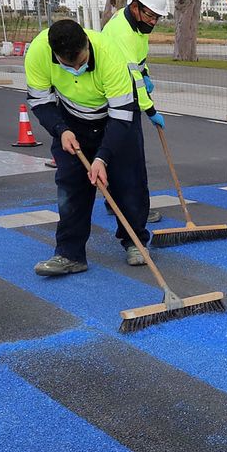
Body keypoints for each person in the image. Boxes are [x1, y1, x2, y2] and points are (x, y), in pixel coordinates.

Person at [24, 18, 151, 276]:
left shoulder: (109, 55)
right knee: (71, 186)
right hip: (71, 119)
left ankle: (135, 242)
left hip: (115, 118)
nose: (77, 69)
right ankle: (69, 254)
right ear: (55, 55)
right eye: (68, 65)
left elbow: (121, 115)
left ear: (87, 45)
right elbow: (40, 102)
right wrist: (61, 130)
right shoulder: (38, 53)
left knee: (128, 182)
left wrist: (102, 158)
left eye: (81, 62)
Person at [101, 0, 171, 223]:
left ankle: (117, 203)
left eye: (157, 17)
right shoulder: (122, 32)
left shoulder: (138, 28)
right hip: (117, 96)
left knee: (120, 154)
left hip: (120, 91)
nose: (153, 21)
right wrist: (150, 110)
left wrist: (146, 74)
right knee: (132, 158)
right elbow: (133, 79)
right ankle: (136, 210)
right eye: (150, 15)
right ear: (135, 7)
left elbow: (139, 63)